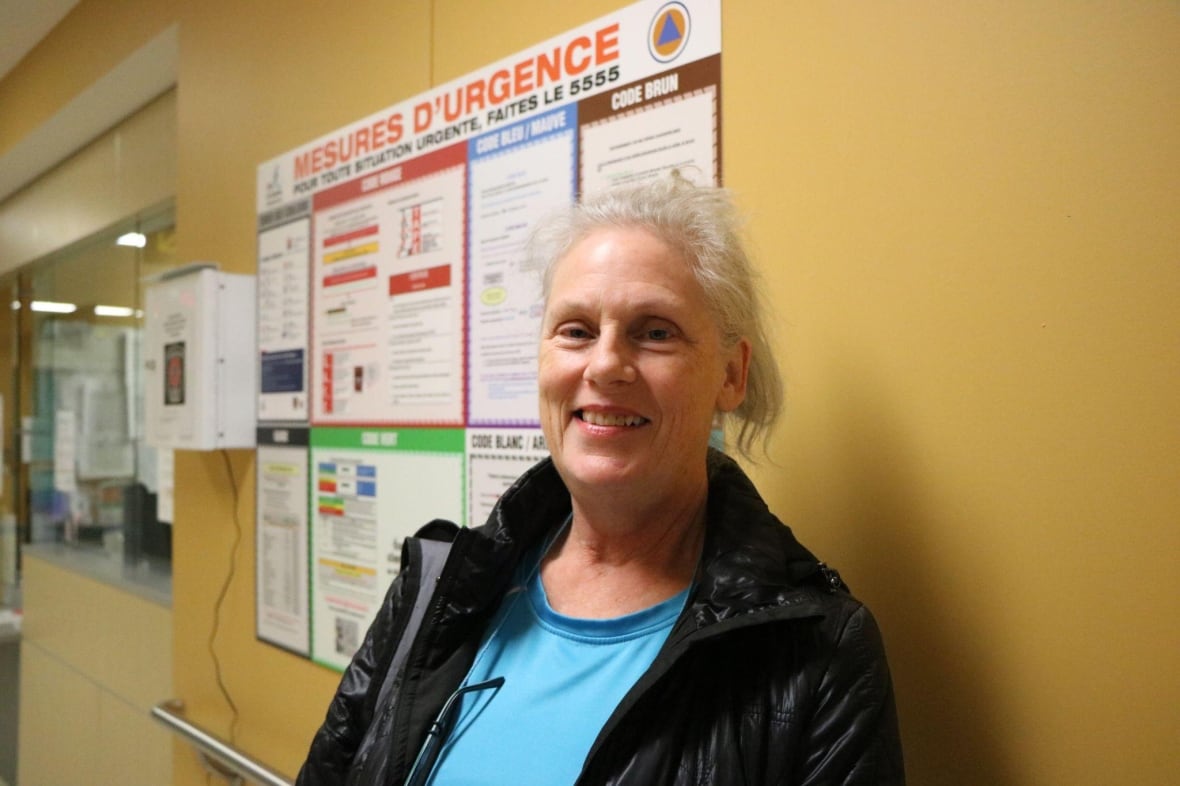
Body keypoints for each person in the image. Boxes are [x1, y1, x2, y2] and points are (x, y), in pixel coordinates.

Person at [296, 174, 905, 785]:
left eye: (655, 331)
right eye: (577, 331)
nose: (607, 364)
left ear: (730, 374)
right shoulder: (439, 586)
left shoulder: (817, 653)